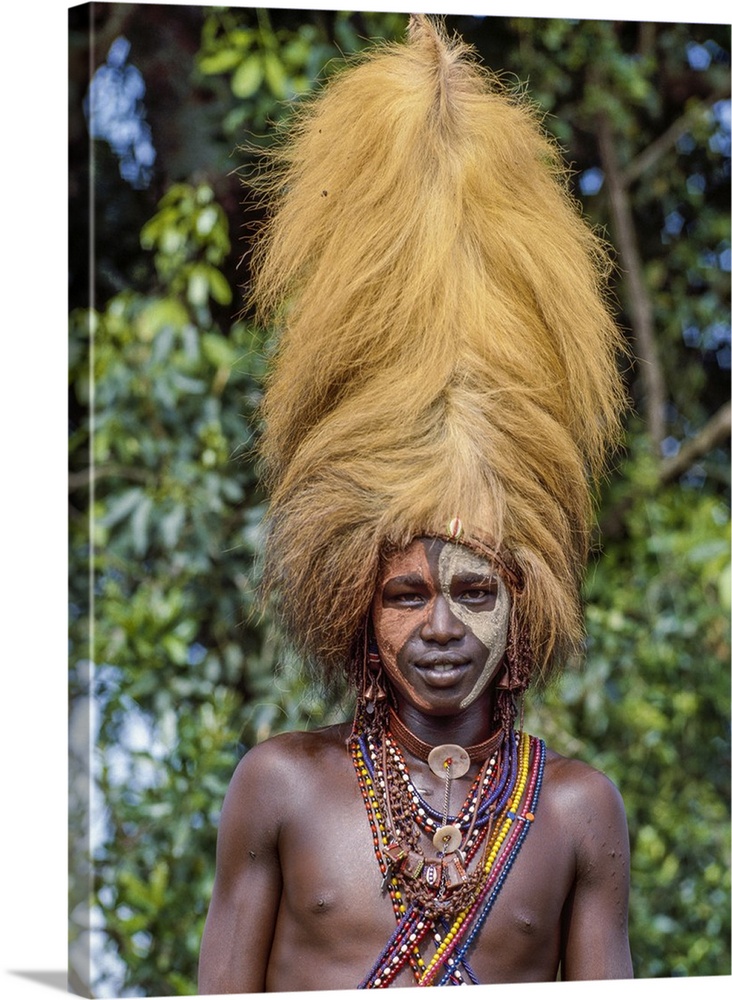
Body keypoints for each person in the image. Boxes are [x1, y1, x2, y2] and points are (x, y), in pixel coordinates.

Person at [198, 15, 633, 992]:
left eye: (475, 591)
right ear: (360, 606)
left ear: (520, 608)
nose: (442, 625)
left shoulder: (573, 811)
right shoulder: (283, 787)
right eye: (407, 594)